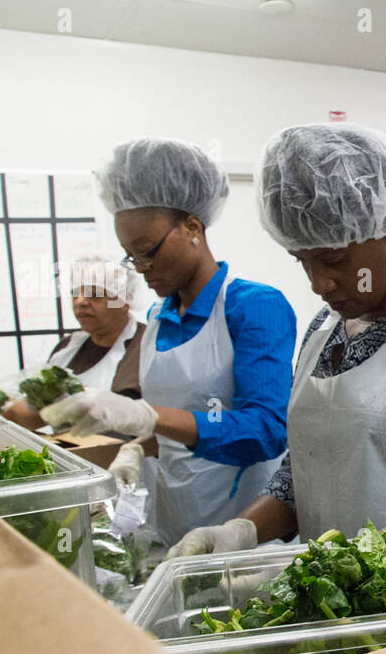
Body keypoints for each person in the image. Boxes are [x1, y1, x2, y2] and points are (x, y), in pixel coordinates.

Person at [167, 123, 386, 557]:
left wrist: (343, 574)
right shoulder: (326, 327)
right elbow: (304, 473)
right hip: (346, 609)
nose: (319, 283)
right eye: (301, 260)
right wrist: (241, 531)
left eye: (335, 259)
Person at [42, 137, 296, 546]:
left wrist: (149, 417)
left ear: (192, 227)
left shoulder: (252, 306)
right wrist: (141, 448)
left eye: (147, 251)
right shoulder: (159, 316)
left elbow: (266, 431)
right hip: (176, 519)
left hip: (241, 528)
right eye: (130, 256)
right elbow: (182, 421)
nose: (142, 269)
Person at [3, 253, 145, 431]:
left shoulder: (145, 345)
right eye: (75, 294)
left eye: (95, 295)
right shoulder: (68, 347)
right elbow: (36, 417)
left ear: (124, 301)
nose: (81, 302)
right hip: (73, 453)